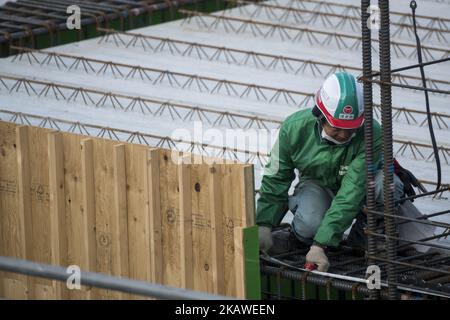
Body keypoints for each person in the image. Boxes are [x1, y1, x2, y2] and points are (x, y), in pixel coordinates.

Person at [256, 72, 405, 272]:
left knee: (387, 185)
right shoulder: (294, 129)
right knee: (310, 225)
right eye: (337, 128)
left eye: (350, 129)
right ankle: (301, 238)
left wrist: (320, 245)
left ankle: (364, 239)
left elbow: (352, 191)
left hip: (361, 189)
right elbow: (276, 177)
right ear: (320, 115)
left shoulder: (372, 133)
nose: (344, 135)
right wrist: (264, 223)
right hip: (317, 184)